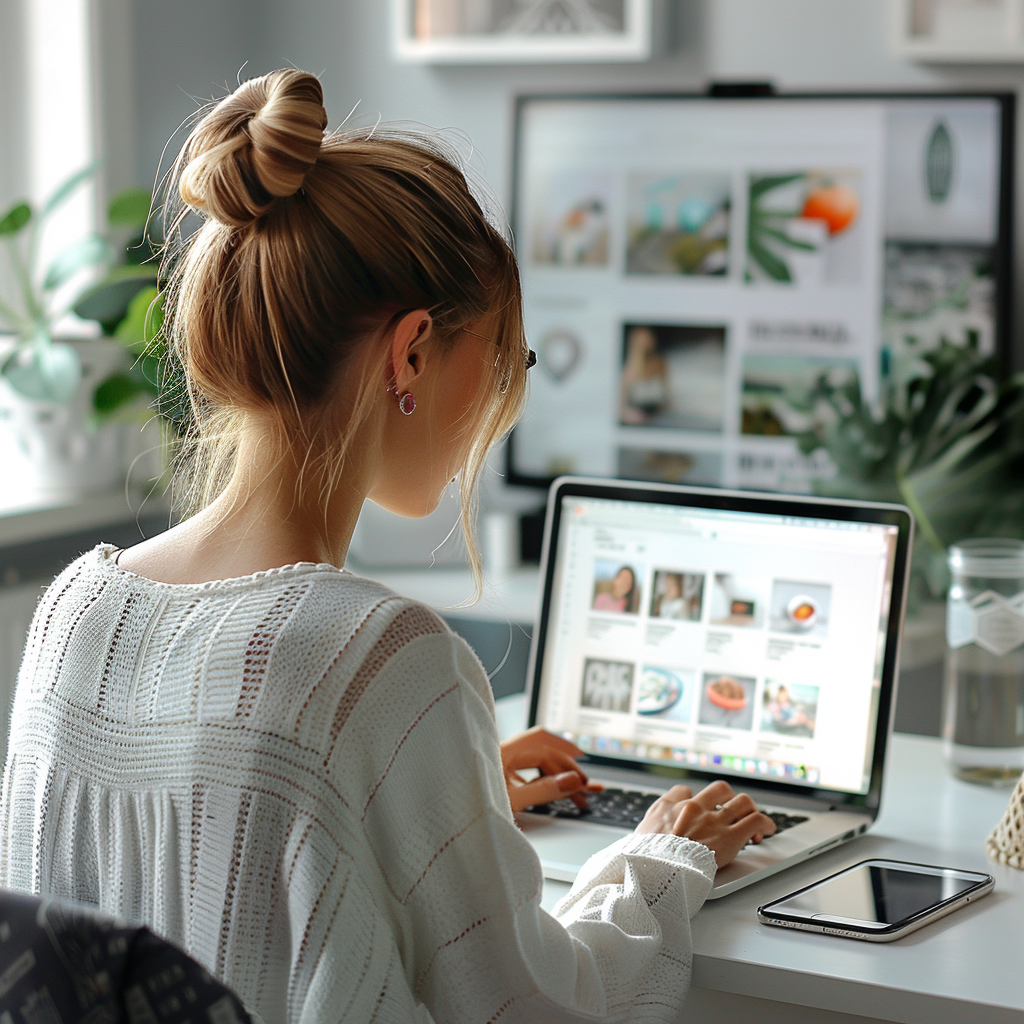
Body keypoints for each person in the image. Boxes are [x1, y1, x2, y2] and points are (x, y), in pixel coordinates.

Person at [0, 70, 775, 1023]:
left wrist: (433, 810)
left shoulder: (73, 611)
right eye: (500, 357)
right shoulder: (385, 662)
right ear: (410, 353)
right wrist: (663, 856)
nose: (498, 401)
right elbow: (533, 1009)